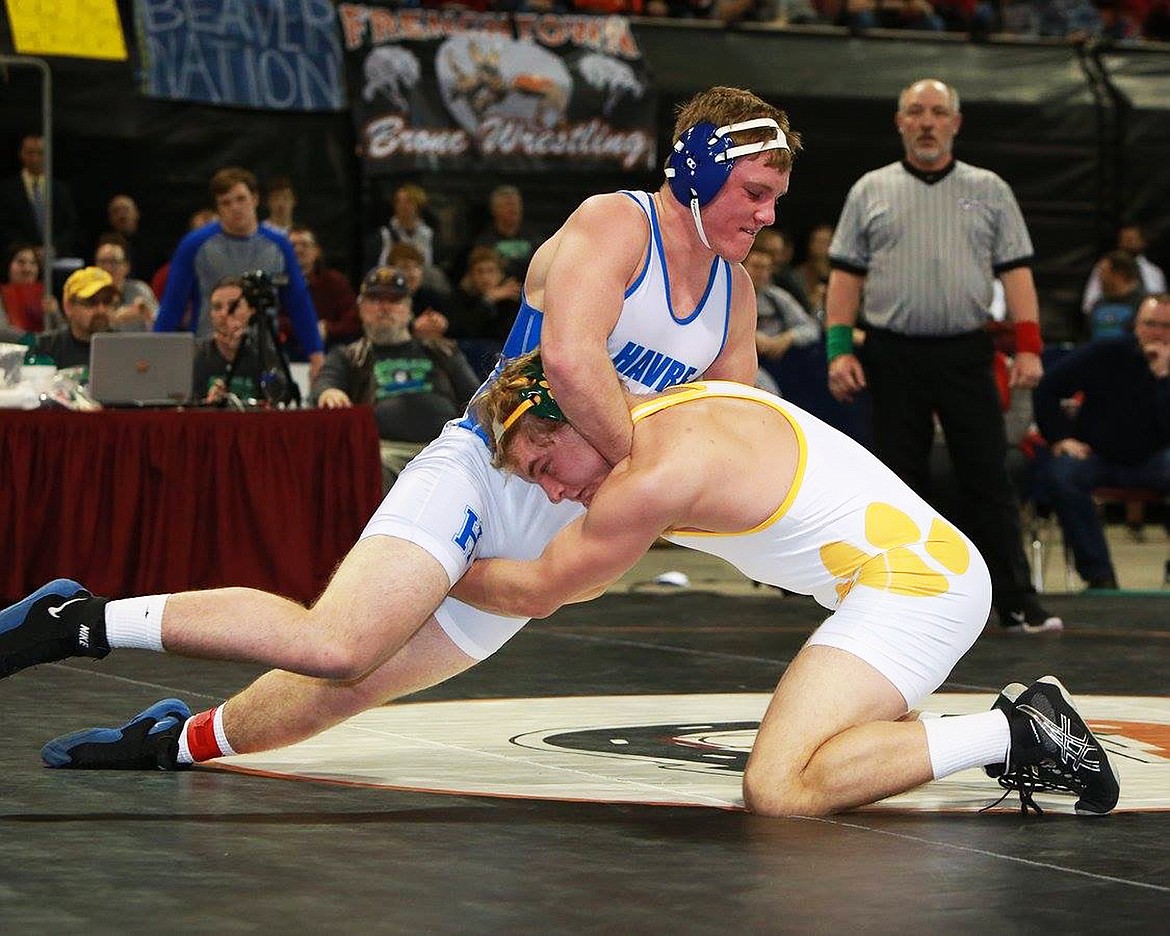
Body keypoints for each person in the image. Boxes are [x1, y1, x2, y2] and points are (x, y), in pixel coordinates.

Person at [0, 86, 792, 781]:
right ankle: (78, 621)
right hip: (488, 474)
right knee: (338, 645)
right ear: (698, 171)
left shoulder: (736, 297)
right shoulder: (616, 227)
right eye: (754, 192)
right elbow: (573, 362)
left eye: (774, 200)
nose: (766, 216)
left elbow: (719, 440)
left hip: (561, 535)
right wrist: (642, 483)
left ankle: (174, 744)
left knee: (350, 689)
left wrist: (724, 525)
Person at [440, 350, 1119, 817]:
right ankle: (995, 726)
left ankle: (1023, 731)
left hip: (915, 589)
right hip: (919, 576)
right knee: (821, 758)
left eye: (546, 464)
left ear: (579, 414)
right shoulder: (677, 404)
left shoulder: (652, 474)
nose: (556, 492)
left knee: (780, 786)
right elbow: (577, 581)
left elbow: (541, 591)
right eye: (538, 480)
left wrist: (434, 567)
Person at [825, 78, 1060, 635]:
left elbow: (1017, 273)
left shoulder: (990, 189)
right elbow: (844, 277)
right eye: (916, 112)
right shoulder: (869, 189)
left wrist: (1029, 348)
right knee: (891, 484)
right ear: (899, 122)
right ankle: (886, 606)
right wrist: (838, 350)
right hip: (891, 352)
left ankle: (1018, 603)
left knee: (988, 476)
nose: (927, 122)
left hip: (965, 351)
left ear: (956, 123)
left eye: (937, 112)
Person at [1032, 294, 1170, 590]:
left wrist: (1162, 379)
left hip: (1156, 458)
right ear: (1135, 326)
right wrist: (1060, 438)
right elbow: (1046, 388)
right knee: (1062, 475)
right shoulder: (1107, 352)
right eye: (1150, 324)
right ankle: (1099, 574)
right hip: (1098, 455)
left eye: (1166, 326)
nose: (1157, 333)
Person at [153, 167, 324, 378]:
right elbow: (173, 304)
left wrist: (316, 353)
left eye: (241, 199)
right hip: (209, 355)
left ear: (255, 198)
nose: (235, 208)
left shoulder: (280, 246)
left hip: (264, 354)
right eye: (226, 202)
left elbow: (299, 303)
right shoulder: (194, 245)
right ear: (218, 207)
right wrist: (156, 355)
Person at [310, 266, 480, 444]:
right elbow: (325, 382)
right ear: (360, 308)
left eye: (394, 300)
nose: (385, 308)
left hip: (445, 447)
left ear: (408, 309)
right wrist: (329, 392)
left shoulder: (443, 350)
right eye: (375, 300)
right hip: (379, 450)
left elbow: (476, 397)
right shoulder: (348, 355)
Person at [743, 244, 820, 395]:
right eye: (756, 266)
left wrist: (787, 338)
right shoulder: (727, 294)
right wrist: (750, 337)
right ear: (743, 266)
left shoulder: (777, 298)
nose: (760, 273)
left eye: (765, 268)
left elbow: (812, 329)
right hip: (742, 361)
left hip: (776, 365)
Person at [0, 134, 80, 259]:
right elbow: (5, 226)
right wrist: (30, 250)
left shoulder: (61, 190)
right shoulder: (6, 190)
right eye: (30, 153)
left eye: (40, 153)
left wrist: (54, 248)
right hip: (18, 257)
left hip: (56, 258)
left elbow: (71, 226)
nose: (35, 158)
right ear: (21, 154)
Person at [448, 245, 522, 379]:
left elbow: (507, 335)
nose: (485, 277)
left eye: (491, 271)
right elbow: (463, 330)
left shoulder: (512, 300)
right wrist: (487, 301)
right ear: (470, 276)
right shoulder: (459, 298)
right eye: (479, 272)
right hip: (471, 361)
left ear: (500, 274)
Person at [191, 276, 263, 404]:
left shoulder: (264, 353)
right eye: (217, 307)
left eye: (233, 306)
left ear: (251, 311)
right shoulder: (198, 355)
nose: (224, 313)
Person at [288, 225, 361, 350]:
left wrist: (327, 328)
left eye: (305, 244)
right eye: (293, 245)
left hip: (331, 349)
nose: (298, 250)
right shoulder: (277, 283)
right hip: (288, 349)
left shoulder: (336, 282)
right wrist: (306, 327)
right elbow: (273, 320)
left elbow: (353, 320)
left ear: (316, 251)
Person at [32, 266, 117, 370]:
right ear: (68, 306)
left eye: (107, 302)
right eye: (91, 302)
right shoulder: (44, 349)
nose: (101, 310)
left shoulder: (127, 349)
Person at [1081, 223, 1167, 317]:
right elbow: (1088, 304)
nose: (1129, 243)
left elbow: (1160, 303)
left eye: (1132, 239)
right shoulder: (1105, 267)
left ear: (1143, 242)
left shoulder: (1154, 272)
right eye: (1125, 239)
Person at [470, 184, 543, 283]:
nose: (514, 209)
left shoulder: (534, 237)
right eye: (508, 204)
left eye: (516, 204)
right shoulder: (484, 241)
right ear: (494, 209)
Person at [93, 234, 159, 331]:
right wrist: (113, 320)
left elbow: (160, 328)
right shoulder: (87, 294)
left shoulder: (139, 290)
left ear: (127, 267)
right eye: (102, 262)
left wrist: (147, 315)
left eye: (113, 262)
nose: (107, 268)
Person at [0, 242, 59, 338]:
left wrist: (55, 314)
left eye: (33, 263)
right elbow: (2, 331)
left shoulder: (46, 295)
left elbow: (63, 334)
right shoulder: (1, 294)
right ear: (8, 265)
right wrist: (35, 338)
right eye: (21, 262)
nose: (27, 269)